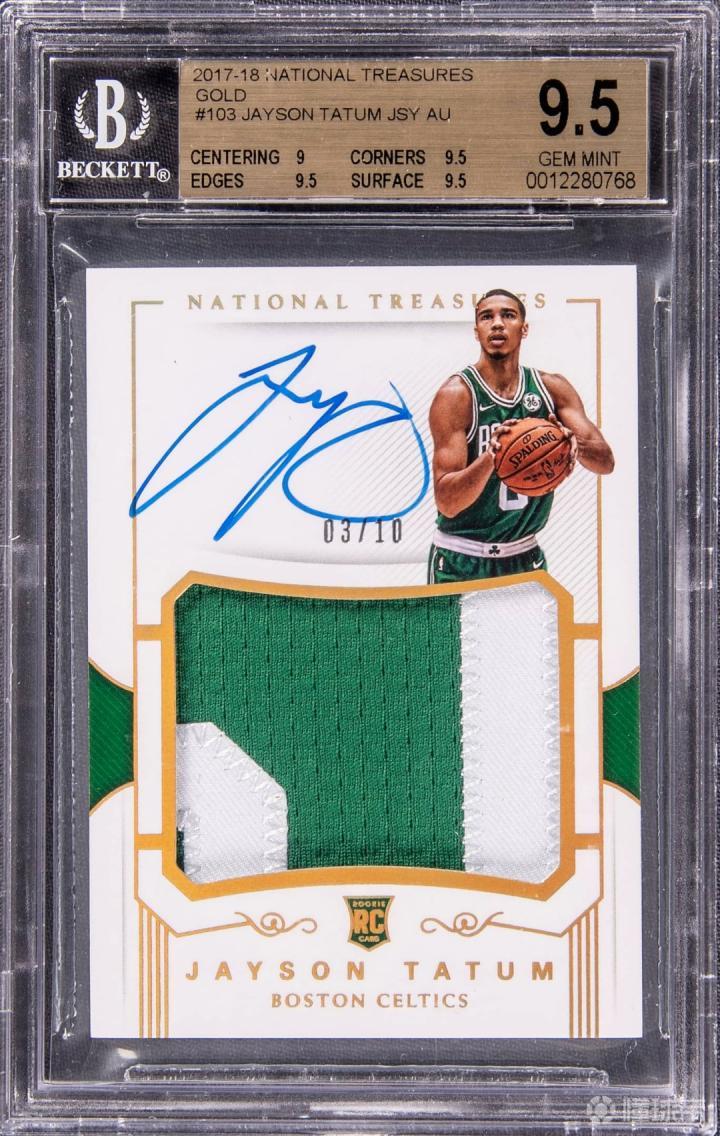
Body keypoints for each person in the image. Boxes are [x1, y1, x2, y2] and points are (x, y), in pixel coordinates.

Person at [428, 288, 614, 582]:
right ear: (476, 331)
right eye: (486, 317)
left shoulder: (551, 388)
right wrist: (492, 457)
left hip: (525, 557)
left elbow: (605, 462)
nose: (497, 324)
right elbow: (448, 503)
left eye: (508, 315)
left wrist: (569, 442)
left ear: (524, 329)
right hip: (460, 558)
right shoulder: (456, 395)